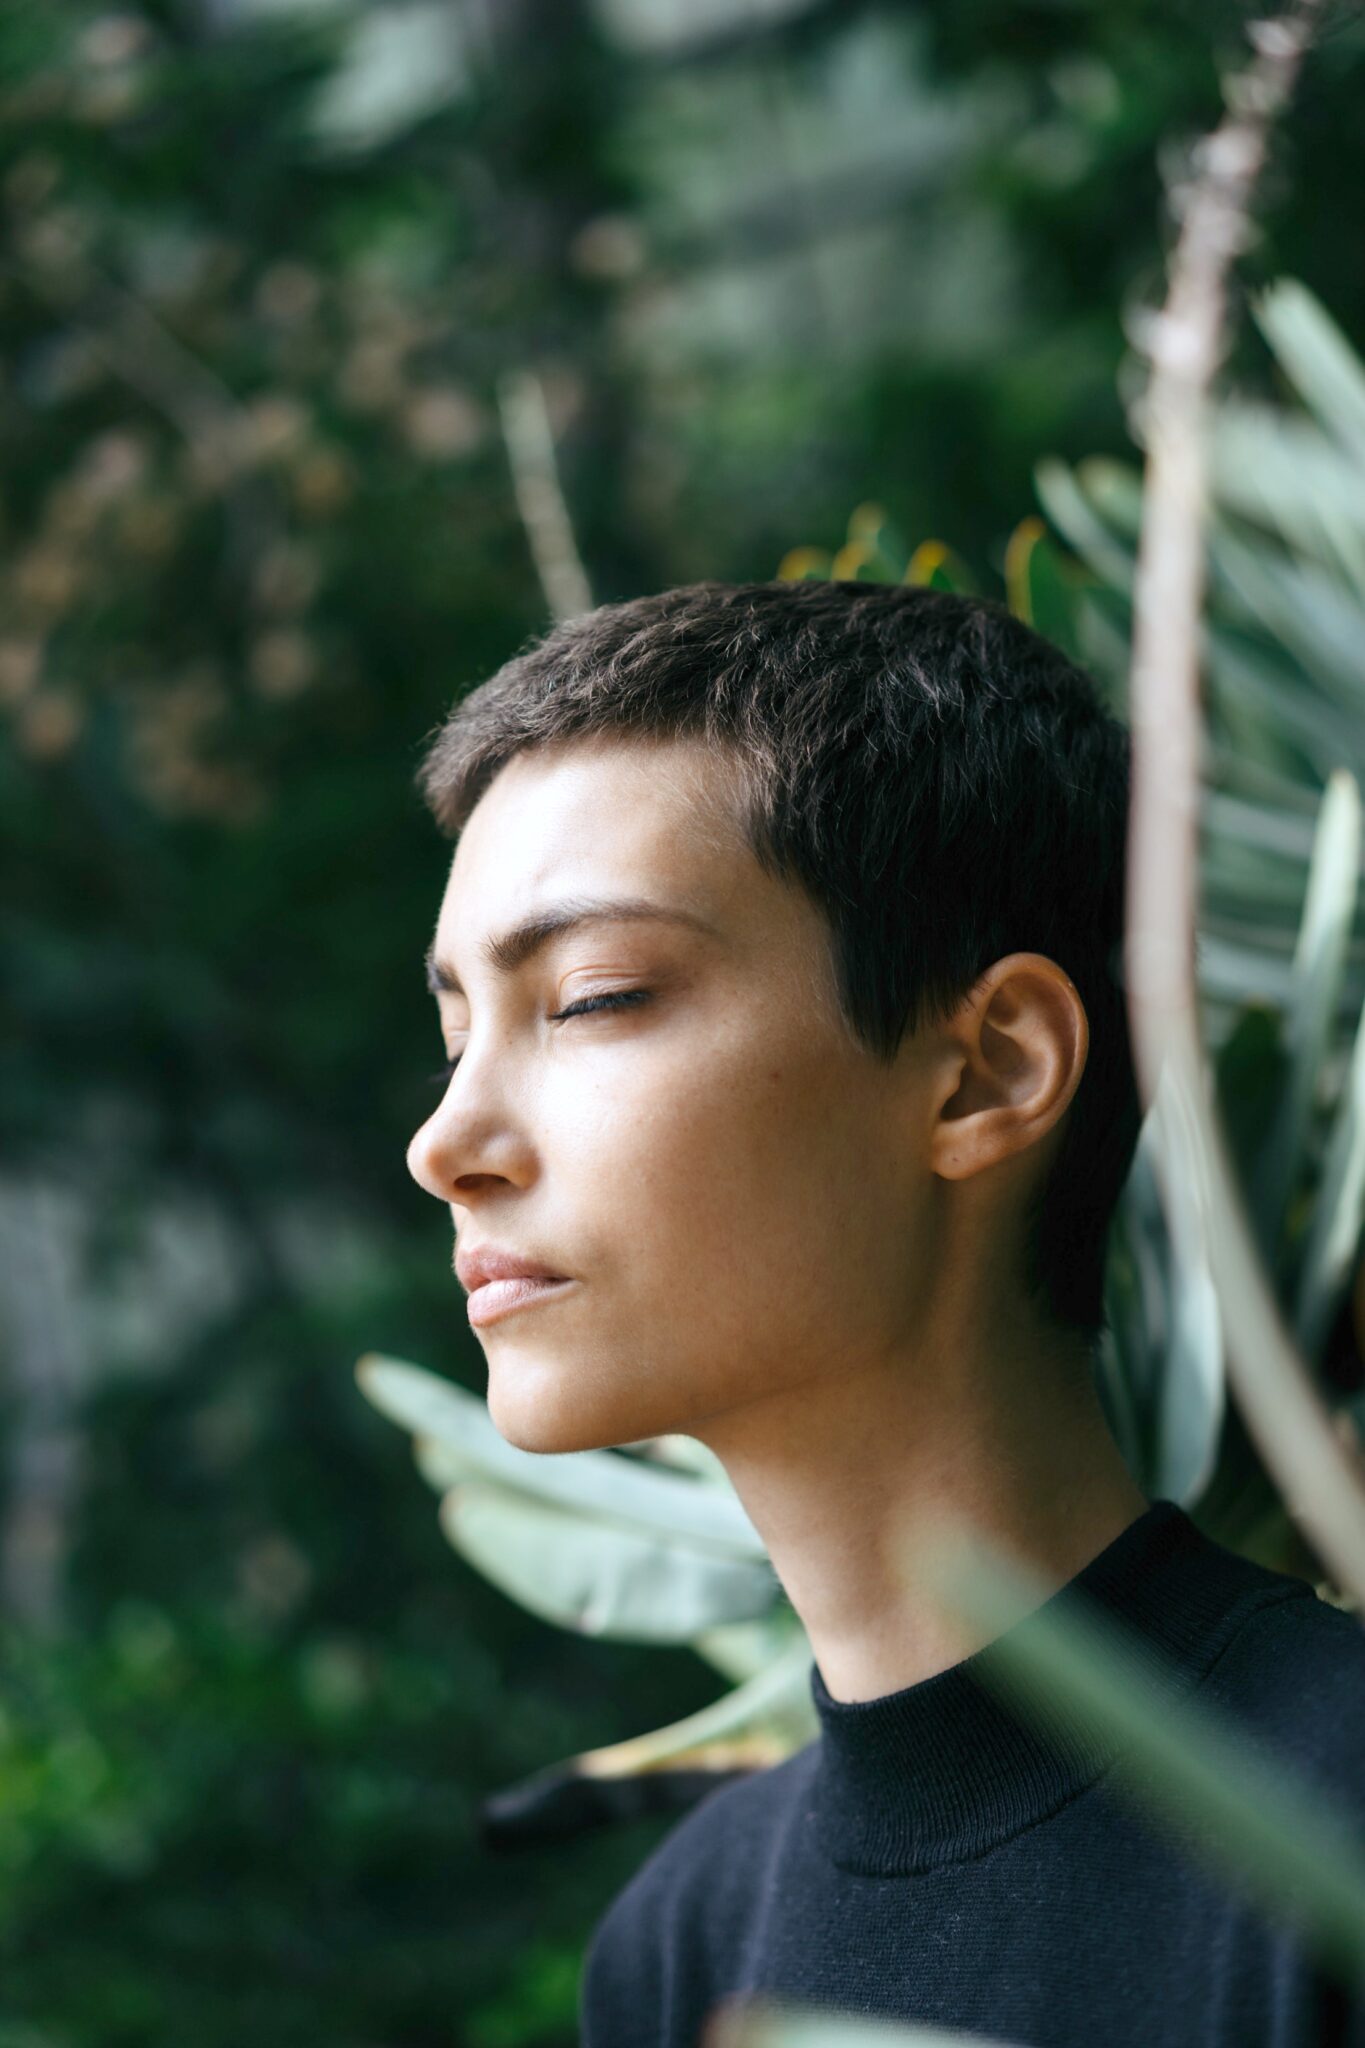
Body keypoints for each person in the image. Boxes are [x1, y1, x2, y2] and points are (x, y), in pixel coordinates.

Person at [404, 579, 1365, 2047]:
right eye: (456, 1030)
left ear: (985, 1072)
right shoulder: (682, 1947)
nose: (446, 1139)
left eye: (590, 998)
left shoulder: (1334, 1822)